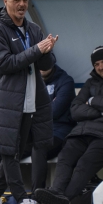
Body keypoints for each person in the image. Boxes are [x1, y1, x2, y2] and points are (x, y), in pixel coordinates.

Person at [0, 0, 58, 204]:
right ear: (5, 2)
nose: (22, 4)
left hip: (29, 100)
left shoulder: (33, 29)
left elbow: (44, 65)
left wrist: (47, 51)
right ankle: (23, 202)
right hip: (5, 103)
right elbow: (5, 64)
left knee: (12, 153)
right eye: (17, 0)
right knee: (9, 153)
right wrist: (37, 50)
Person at [34, 46, 103, 204]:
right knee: (65, 157)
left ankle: (61, 201)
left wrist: (91, 101)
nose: (101, 67)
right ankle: (56, 193)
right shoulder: (90, 83)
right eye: (97, 64)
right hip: (81, 132)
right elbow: (75, 110)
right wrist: (102, 112)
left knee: (84, 163)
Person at [22, 63, 76, 194]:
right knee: (8, 149)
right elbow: (21, 109)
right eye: (39, 62)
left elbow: (54, 112)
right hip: (33, 131)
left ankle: (37, 196)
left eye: (46, 61)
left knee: (39, 147)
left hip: (58, 132)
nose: (42, 66)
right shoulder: (29, 80)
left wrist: (33, 110)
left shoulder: (65, 81)